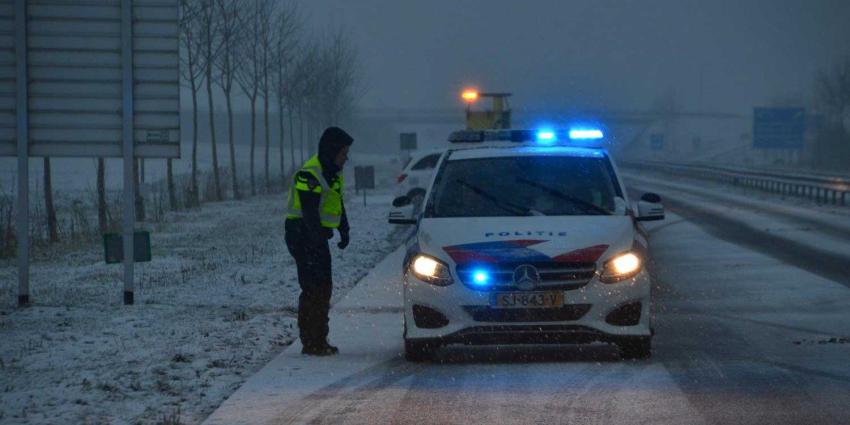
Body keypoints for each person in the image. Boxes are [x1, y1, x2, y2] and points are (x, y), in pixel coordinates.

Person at [285, 127, 353, 356]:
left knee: (323, 287)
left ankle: (318, 339)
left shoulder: (332, 172)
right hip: (301, 234)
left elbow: (336, 201)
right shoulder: (310, 174)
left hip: (315, 236)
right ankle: (311, 342)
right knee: (314, 288)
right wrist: (318, 237)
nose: (346, 158)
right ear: (331, 151)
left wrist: (344, 228)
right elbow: (309, 211)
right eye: (343, 153)